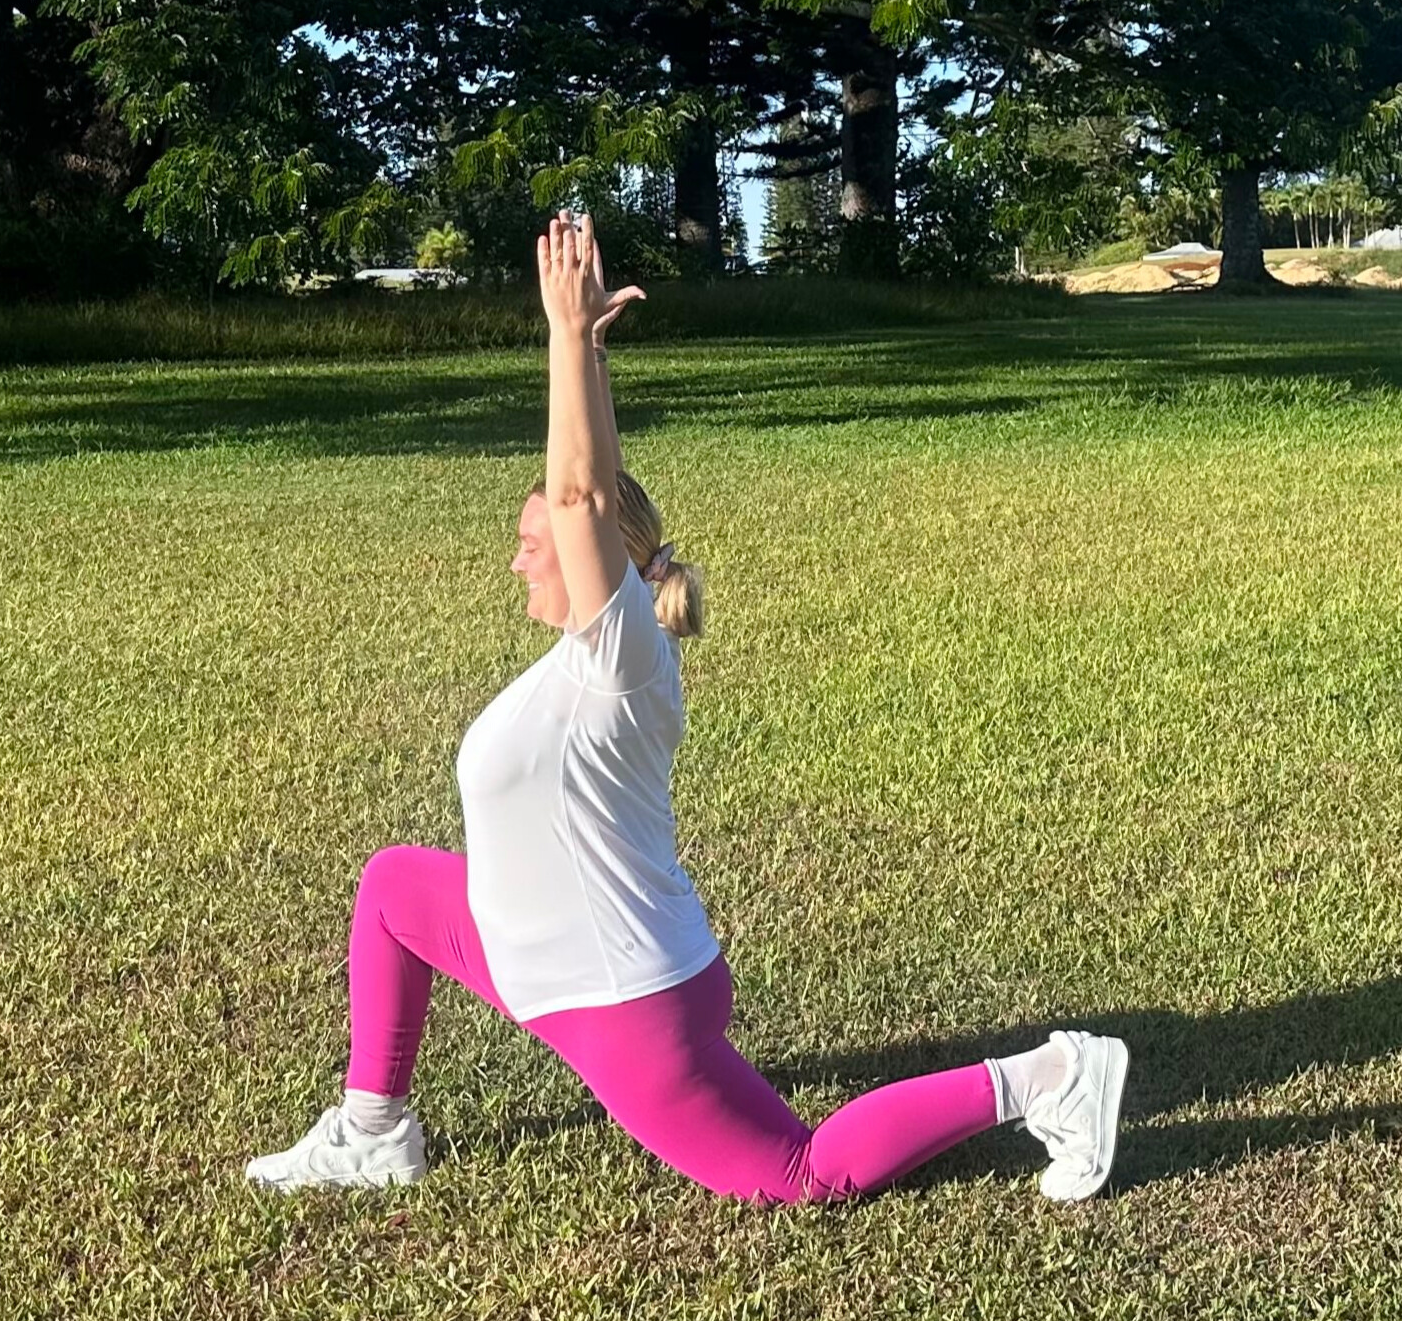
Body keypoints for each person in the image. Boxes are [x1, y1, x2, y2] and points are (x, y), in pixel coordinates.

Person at [246, 211, 1129, 1206]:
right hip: (544, 953)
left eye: (531, 540)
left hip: (622, 1005)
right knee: (396, 888)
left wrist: (568, 341)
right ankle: (372, 1130)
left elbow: (580, 496)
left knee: (802, 1175)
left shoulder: (617, 657)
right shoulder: (575, 664)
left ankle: (1049, 1076)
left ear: (605, 569)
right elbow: (574, 511)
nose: (517, 555)